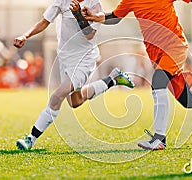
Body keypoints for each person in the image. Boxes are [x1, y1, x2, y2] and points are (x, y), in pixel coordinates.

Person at [84, 0, 192, 150]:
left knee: (158, 81)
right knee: (189, 101)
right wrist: (97, 17)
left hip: (175, 46)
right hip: (156, 54)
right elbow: (115, 17)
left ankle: (159, 139)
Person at [14, 0, 135, 150]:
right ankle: (112, 79)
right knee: (75, 101)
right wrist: (25, 36)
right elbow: (45, 22)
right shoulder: (62, 1)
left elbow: (90, 35)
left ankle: (30, 139)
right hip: (65, 58)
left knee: (57, 96)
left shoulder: (94, 4)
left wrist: (78, 14)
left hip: (84, 59)